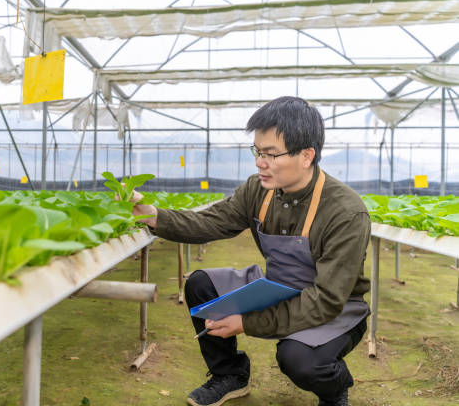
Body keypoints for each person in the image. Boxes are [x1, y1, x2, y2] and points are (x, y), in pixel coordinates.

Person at [130, 96, 371, 406]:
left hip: (334, 305)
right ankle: (230, 375)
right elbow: (209, 222)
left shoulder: (345, 212)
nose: (260, 162)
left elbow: (325, 300)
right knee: (201, 285)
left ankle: (335, 388)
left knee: (298, 359)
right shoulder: (258, 190)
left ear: (307, 155)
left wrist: (247, 323)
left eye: (271, 154)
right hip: (278, 287)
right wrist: (153, 216)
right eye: (258, 151)